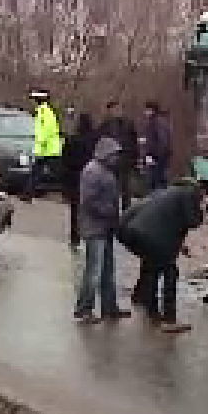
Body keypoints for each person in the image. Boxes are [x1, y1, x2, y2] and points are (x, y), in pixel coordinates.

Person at [120, 178, 206, 334]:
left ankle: (149, 308)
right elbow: (191, 221)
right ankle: (169, 319)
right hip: (152, 236)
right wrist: (203, 212)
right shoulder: (189, 193)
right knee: (170, 273)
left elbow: (170, 224)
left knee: (151, 268)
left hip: (132, 231)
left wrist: (180, 247)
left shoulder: (168, 192)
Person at [73, 138, 128, 324]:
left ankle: (109, 307)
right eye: (114, 154)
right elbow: (88, 201)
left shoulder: (104, 171)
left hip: (105, 228)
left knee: (107, 270)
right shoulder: (92, 171)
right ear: (106, 153)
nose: (116, 159)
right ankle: (84, 309)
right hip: (95, 229)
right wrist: (109, 212)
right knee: (94, 271)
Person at [61, 112, 98, 248]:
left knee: (75, 209)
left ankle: (75, 236)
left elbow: (64, 159)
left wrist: (64, 181)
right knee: (90, 209)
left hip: (75, 178)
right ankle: (90, 236)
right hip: (92, 179)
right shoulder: (95, 140)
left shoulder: (73, 140)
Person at [99, 99, 140, 208]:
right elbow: (100, 144)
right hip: (111, 163)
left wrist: (135, 160)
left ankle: (126, 213)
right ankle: (114, 212)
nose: (116, 111)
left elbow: (134, 143)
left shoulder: (128, 124)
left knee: (125, 190)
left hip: (125, 161)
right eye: (113, 109)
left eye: (117, 109)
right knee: (112, 190)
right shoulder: (105, 125)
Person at [30, 90, 63, 203]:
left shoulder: (42, 111)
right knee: (39, 172)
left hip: (46, 147)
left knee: (39, 172)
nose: (33, 102)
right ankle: (28, 193)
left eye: (34, 100)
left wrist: (40, 143)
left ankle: (29, 193)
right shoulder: (48, 111)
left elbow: (43, 130)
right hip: (51, 147)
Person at [140, 101, 173, 192]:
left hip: (157, 160)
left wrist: (154, 156)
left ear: (152, 110)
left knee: (156, 184)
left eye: (147, 109)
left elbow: (163, 142)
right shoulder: (153, 122)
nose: (145, 112)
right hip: (155, 158)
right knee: (155, 183)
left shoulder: (157, 123)